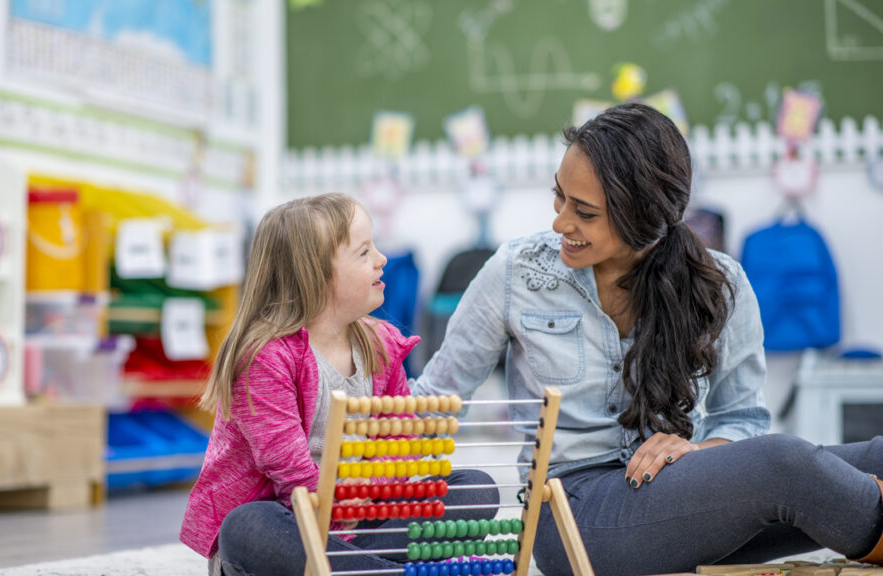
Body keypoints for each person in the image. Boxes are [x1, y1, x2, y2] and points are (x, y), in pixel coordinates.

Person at [411, 103, 883, 575]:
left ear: (644, 219)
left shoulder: (722, 283)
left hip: (682, 502)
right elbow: (436, 397)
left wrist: (698, 452)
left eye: (585, 212)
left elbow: (742, 419)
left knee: (872, 456)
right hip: (575, 517)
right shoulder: (516, 273)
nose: (560, 222)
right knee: (787, 465)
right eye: (560, 197)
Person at [180, 193, 498, 576]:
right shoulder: (265, 357)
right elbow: (292, 474)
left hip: (358, 522)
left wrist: (362, 500)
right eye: (364, 253)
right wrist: (339, 514)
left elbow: (397, 443)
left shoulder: (382, 345)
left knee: (474, 490)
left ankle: (358, 568)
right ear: (314, 274)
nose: (381, 259)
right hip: (289, 522)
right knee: (247, 525)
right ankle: (376, 569)